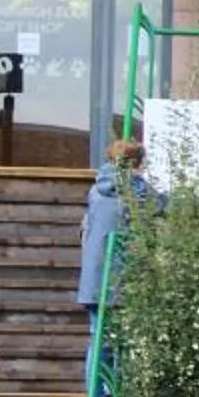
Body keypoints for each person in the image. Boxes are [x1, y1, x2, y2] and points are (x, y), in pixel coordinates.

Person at [74, 134, 157, 315]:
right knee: (119, 339)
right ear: (135, 164)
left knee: (97, 336)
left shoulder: (96, 191)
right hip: (122, 280)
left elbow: (84, 232)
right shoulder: (139, 192)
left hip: (94, 279)